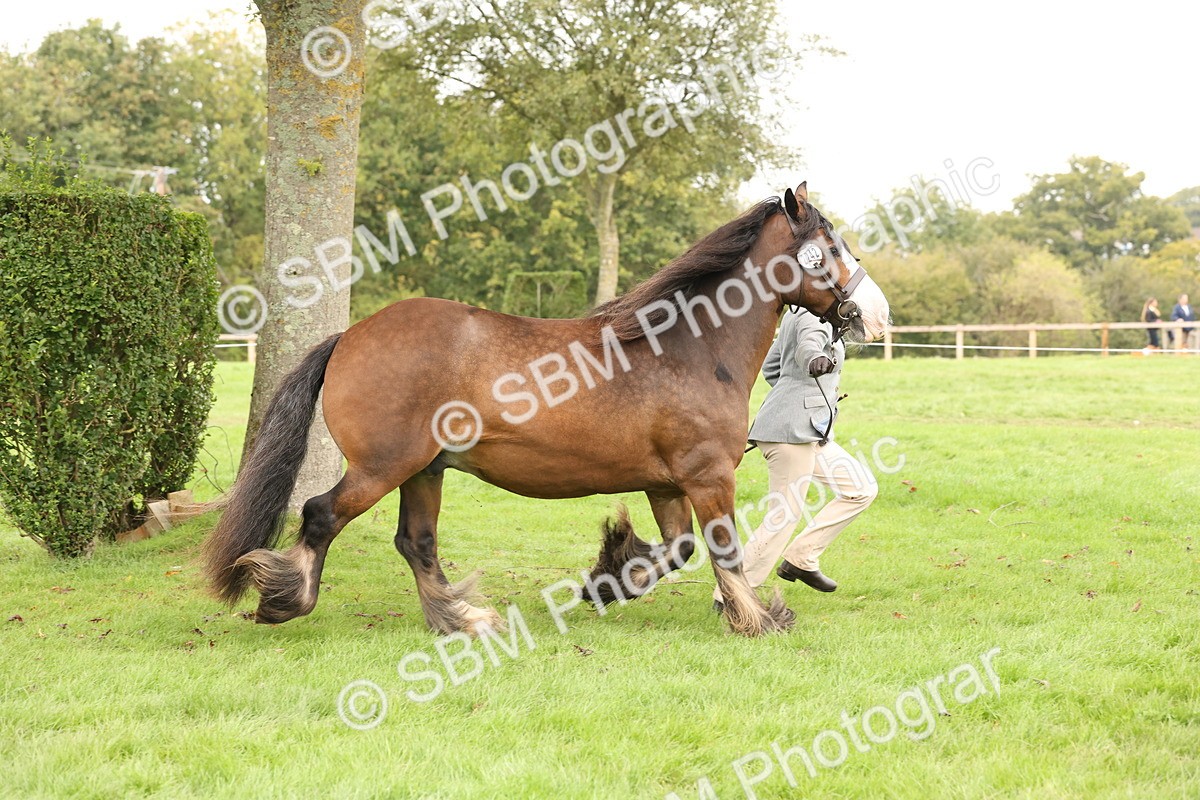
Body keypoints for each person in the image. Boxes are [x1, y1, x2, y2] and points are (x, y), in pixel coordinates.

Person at [715, 309, 878, 609]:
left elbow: (772, 367)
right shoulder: (812, 316)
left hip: (809, 429)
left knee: (860, 488)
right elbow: (809, 346)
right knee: (783, 516)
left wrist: (797, 395)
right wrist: (813, 361)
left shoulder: (800, 315)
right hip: (790, 433)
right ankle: (732, 594)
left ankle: (801, 559)